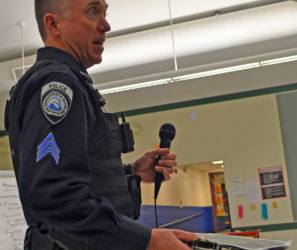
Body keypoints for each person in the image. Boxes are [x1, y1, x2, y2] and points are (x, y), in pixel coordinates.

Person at [5, 0, 199, 249]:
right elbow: (52, 193)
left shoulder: (69, 81)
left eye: (105, 13)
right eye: (92, 11)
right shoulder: (57, 84)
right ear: (53, 24)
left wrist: (132, 173)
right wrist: (146, 240)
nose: (105, 25)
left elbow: (63, 175)